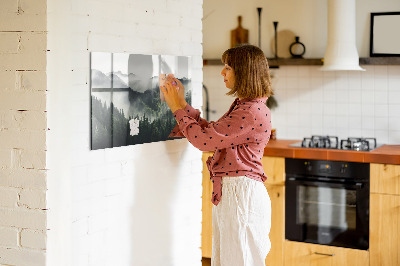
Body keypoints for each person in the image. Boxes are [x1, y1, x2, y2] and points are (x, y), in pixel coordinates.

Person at [161, 44, 273, 266]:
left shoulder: (250, 111)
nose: (222, 72)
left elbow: (204, 141)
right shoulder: (246, 106)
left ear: (244, 72)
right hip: (236, 193)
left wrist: (176, 108)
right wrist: (182, 103)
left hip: (241, 196)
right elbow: (212, 133)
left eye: (228, 67)